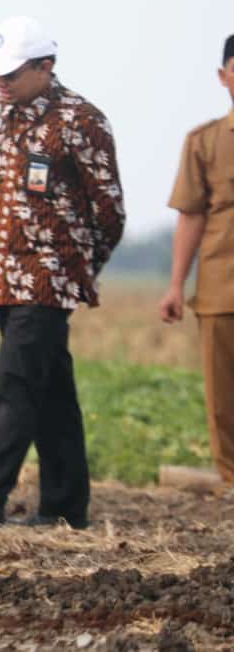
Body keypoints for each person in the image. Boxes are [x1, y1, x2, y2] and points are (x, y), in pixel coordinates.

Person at [0, 16, 126, 530]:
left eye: (11, 73)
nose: (0, 82)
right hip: (4, 273)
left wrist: (76, 265)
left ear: (45, 67)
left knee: (13, 384)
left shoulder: (82, 119)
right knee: (51, 390)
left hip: (51, 279)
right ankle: (65, 508)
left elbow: (109, 211)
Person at [159, 34, 234, 483]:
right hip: (222, 285)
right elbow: (191, 215)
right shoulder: (203, 142)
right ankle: (231, 484)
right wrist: (174, 285)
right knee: (223, 400)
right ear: (224, 77)